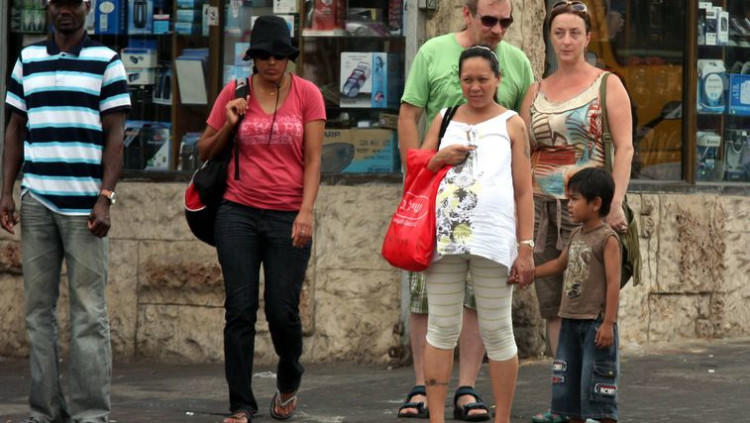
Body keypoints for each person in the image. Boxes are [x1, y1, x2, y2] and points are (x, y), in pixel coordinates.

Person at [397, 0, 533, 419]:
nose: (475, 87)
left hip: (494, 240)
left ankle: (503, 415)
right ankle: (437, 415)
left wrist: (525, 247)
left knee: (498, 330)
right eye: (467, 79)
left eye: (483, 79)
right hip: (444, 241)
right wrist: (439, 157)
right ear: (459, 80)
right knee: (441, 329)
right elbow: (420, 165)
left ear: (498, 80)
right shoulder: (444, 117)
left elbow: (523, 191)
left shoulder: (512, 123)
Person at [1, 0, 131, 421]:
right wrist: (7, 191)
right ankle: (45, 412)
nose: (65, 10)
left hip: (85, 209)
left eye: (74, 2)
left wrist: (105, 197)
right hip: (37, 201)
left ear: (88, 6)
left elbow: (116, 135)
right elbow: (15, 127)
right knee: (37, 314)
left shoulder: (107, 62)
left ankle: (90, 415)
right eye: (58, 2)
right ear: (47, 6)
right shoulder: (27, 60)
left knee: (89, 314)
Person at [197, 15, 326, 423]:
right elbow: (205, 150)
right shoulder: (234, 92)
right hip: (237, 212)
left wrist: (306, 211)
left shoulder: (307, 95)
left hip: (288, 214)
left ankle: (289, 377)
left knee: (282, 311)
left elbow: (314, 160)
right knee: (239, 309)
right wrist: (230, 124)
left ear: (289, 57)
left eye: (280, 56)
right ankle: (241, 405)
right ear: (253, 57)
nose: (272, 63)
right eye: (265, 56)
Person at [518, 2, 633, 422]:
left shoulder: (608, 85)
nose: (566, 41)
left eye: (574, 33)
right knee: (555, 307)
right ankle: (565, 402)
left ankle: (595, 402)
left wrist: (614, 203)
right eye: (559, 33)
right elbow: (522, 152)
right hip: (541, 209)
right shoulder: (535, 91)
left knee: (593, 306)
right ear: (550, 37)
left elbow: (626, 148)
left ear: (587, 37)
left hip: (589, 210)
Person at [529, 167, 621, 423]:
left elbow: (613, 283)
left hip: (595, 322)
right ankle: (566, 413)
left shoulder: (607, 239)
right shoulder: (576, 234)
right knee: (566, 372)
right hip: (570, 318)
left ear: (595, 204)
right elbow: (560, 264)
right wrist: (529, 273)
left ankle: (599, 416)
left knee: (596, 373)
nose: (568, 204)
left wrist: (608, 323)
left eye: (574, 199)